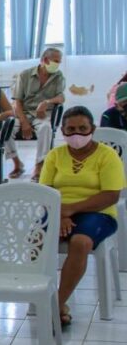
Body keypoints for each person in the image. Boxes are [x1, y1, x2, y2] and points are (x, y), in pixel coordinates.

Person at [40, 107, 125, 327]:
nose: (76, 134)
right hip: (58, 210)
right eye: (70, 129)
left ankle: (56, 304)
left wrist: (71, 210)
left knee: (80, 242)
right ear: (63, 131)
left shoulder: (107, 155)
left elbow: (111, 195)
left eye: (82, 128)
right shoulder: (55, 156)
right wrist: (60, 215)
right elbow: (44, 192)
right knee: (37, 241)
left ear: (92, 129)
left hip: (98, 212)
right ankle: (42, 298)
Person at [13, 48, 66, 181]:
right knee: (6, 129)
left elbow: (61, 97)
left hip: (43, 114)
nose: (58, 64)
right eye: (56, 61)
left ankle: (39, 165)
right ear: (45, 60)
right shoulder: (25, 75)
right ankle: (17, 163)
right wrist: (24, 122)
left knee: (46, 128)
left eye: (59, 62)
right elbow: (17, 102)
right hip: (23, 113)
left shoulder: (58, 76)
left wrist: (47, 102)